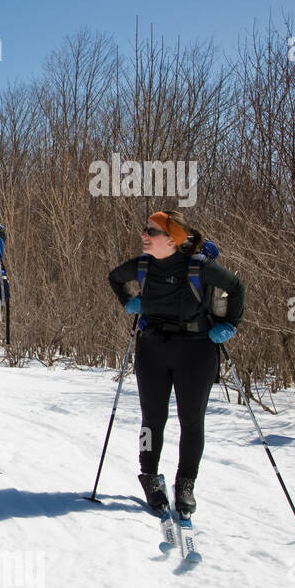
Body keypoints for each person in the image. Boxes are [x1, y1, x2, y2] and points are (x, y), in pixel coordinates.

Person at [107, 209, 245, 516]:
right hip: (152, 348)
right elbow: (115, 278)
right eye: (145, 229)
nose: (144, 234)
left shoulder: (199, 267)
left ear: (172, 239)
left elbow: (236, 288)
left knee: (191, 421)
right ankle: (148, 476)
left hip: (196, 351)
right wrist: (129, 300)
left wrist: (230, 324)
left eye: (152, 231)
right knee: (151, 419)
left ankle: (186, 484)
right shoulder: (142, 265)